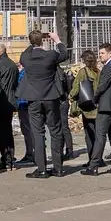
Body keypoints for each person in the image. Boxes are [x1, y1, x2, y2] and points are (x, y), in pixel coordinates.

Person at [18, 31, 70, 179]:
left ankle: (41, 169)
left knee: (38, 133)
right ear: (43, 42)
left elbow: (26, 53)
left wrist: (34, 42)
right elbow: (65, 54)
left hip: (33, 98)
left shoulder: (26, 58)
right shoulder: (51, 56)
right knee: (55, 131)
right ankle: (58, 168)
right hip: (50, 97)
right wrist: (56, 39)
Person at [84, 43, 111, 176]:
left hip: (106, 106)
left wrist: (93, 100)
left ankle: (93, 165)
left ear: (110, 53)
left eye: (102, 53)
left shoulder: (109, 67)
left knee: (100, 136)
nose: (100, 56)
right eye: (99, 53)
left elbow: (102, 86)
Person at [0, 44, 18, 171]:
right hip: (11, 100)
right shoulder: (13, 65)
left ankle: (4, 158)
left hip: (0, 101)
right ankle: (10, 158)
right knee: (8, 130)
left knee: (0, 132)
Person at [69, 50, 101, 167]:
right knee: (99, 134)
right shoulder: (99, 72)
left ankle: (92, 158)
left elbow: (76, 87)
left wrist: (71, 97)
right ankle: (99, 158)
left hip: (87, 107)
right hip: (97, 105)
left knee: (89, 134)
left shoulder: (83, 72)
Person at [15, 64, 34, 168]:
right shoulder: (34, 71)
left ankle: (30, 154)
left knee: (27, 130)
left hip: (24, 103)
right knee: (31, 129)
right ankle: (32, 153)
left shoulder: (23, 73)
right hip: (31, 102)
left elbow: (18, 86)